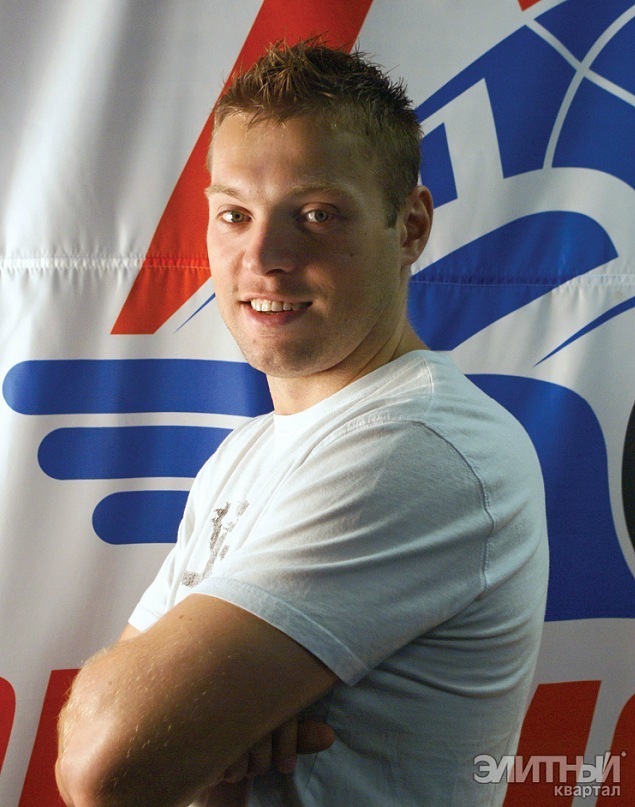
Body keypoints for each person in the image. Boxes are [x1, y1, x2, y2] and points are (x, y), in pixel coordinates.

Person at [55, 39, 549, 807]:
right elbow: (107, 733)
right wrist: (192, 715)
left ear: (410, 226)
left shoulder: (422, 445)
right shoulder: (245, 451)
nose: (262, 256)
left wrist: (187, 716)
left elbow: (103, 762)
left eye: (315, 214)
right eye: (234, 214)